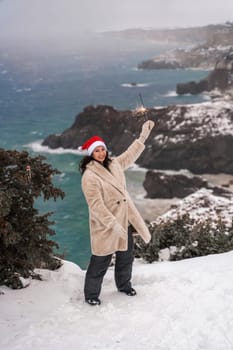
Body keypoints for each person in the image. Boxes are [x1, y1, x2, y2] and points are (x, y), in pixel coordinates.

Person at [79, 120, 155, 306]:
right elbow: (95, 205)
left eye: (102, 149)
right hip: (106, 224)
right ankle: (91, 294)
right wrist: (112, 224)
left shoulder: (114, 164)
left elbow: (131, 154)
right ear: (91, 154)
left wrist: (143, 135)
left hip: (125, 219)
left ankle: (124, 285)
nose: (101, 153)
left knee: (126, 256)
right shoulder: (89, 176)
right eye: (96, 151)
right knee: (100, 260)